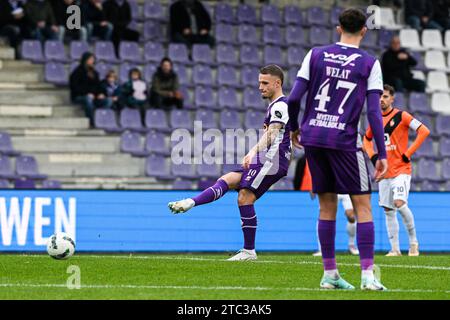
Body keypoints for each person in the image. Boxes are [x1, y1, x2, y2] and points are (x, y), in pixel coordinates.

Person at [287, 8, 388, 291]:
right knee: (363, 207)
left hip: (313, 138)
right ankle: (368, 276)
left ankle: (330, 274)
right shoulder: (369, 62)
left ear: (338, 28)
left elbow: (294, 98)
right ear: (364, 31)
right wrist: (381, 153)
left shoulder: (315, 54)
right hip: (344, 141)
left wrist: (295, 127)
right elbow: (374, 112)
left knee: (327, 206)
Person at [168, 65, 292, 261]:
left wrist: (253, 150)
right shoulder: (278, 105)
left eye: (265, 83)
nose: (260, 86)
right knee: (228, 179)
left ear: (278, 83)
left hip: (272, 158)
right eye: (259, 82)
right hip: (268, 157)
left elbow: (273, 131)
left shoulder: (280, 105)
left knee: (245, 197)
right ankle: (190, 202)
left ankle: (249, 251)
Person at [363, 84, 430, 257]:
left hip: (401, 170)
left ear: (392, 98)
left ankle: (414, 243)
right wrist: (374, 158)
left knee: (400, 203)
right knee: (388, 209)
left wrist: (408, 153)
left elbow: (424, 131)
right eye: (379, 97)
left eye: (385, 96)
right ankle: (395, 249)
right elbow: (366, 139)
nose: (381, 100)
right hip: (385, 172)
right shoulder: (375, 119)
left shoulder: (402, 116)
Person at [69, 52, 112, 125]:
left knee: (108, 101)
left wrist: (101, 94)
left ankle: (101, 119)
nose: (93, 61)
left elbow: (99, 86)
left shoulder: (95, 73)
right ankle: (91, 121)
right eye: (91, 59)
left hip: (94, 96)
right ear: (85, 60)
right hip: (80, 96)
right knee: (88, 100)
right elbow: (75, 87)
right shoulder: (77, 72)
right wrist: (87, 94)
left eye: (93, 59)